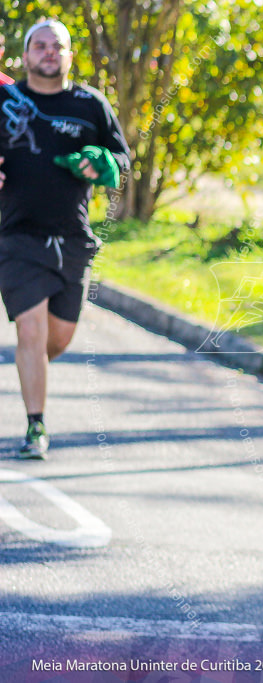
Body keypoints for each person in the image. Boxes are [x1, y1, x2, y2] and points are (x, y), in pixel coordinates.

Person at [0, 19, 130, 459]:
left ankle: (28, 367)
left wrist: (101, 162)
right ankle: (36, 427)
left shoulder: (90, 104)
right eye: (40, 45)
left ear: (70, 55)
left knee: (56, 340)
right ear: (25, 55)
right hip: (15, 235)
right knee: (31, 330)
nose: (49, 52)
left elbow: (122, 160)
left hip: (72, 238)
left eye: (58, 46)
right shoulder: (6, 101)